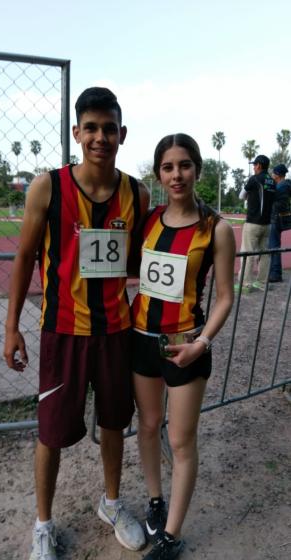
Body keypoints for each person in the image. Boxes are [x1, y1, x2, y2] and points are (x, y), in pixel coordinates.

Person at [3, 86, 150, 559]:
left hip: (115, 332)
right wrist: (11, 326)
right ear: (76, 133)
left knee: (113, 423)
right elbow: (25, 255)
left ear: (122, 134)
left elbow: (144, 260)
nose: (100, 137)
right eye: (91, 128)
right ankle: (43, 525)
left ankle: (111, 504)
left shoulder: (137, 193)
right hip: (62, 331)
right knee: (51, 432)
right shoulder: (48, 186)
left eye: (109, 128)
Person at [131, 133, 236, 559]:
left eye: (185, 165)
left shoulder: (217, 229)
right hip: (140, 339)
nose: (177, 174)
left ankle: (170, 535)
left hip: (186, 346)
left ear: (198, 169)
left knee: (181, 440)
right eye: (169, 167)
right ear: (159, 173)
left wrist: (203, 342)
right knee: (149, 426)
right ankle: (156, 499)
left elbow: (226, 296)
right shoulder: (149, 220)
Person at [235, 154, 276, 293]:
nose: (253, 167)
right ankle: (262, 282)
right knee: (265, 254)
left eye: (254, 165)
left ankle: (245, 284)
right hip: (267, 224)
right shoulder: (272, 181)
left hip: (253, 223)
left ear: (259, 165)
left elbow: (241, 196)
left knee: (247, 253)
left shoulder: (254, 179)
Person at [268, 163, 291, 282]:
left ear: (277, 175)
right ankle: (274, 271)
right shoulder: (286, 184)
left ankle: (275, 273)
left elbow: (275, 201)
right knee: (273, 245)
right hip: (281, 218)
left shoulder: (281, 187)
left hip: (276, 218)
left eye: (273, 173)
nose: (272, 175)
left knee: (273, 246)